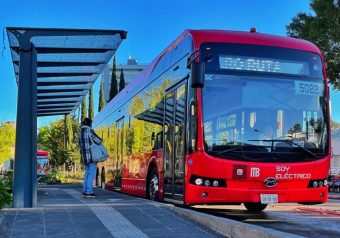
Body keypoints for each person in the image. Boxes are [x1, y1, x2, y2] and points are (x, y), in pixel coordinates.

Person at [79, 117, 102, 198]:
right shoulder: (90, 131)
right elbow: (98, 140)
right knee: (91, 175)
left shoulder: (80, 132)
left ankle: (84, 191)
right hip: (92, 156)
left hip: (84, 157)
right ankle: (89, 191)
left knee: (86, 174)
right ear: (89, 124)